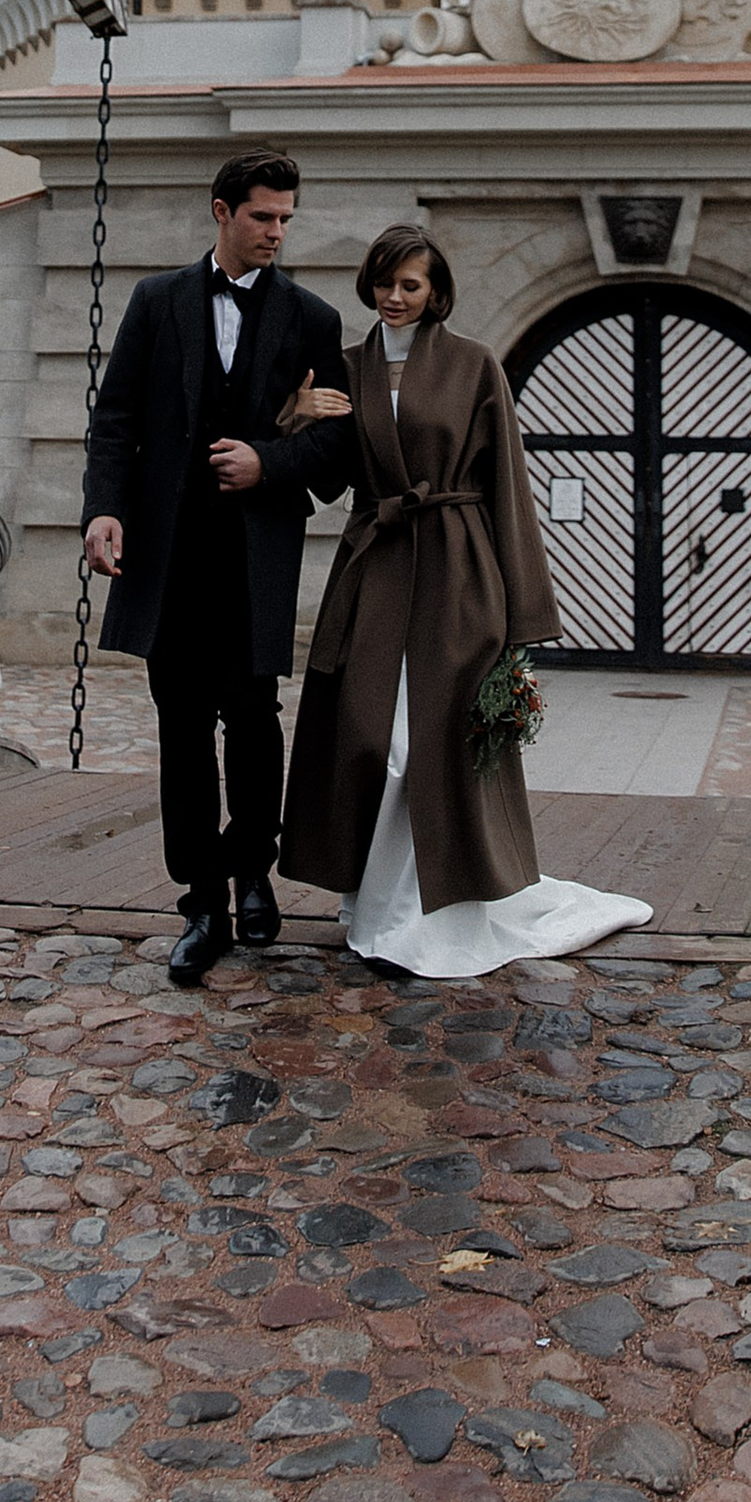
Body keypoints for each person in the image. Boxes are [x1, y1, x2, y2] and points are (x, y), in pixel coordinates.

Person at [280, 222, 653, 979]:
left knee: (434, 748)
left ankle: (430, 916)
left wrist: (522, 614)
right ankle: (375, 906)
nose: (394, 297)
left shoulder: (475, 365)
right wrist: (296, 418)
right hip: (377, 567)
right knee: (370, 741)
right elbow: (323, 480)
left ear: (436, 290)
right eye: (384, 283)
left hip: (457, 569)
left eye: (409, 285)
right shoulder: (344, 370)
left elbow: (508, 487)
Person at [81, 149, 350, 986]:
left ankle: (253, 872)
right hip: (169, 552)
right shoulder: (155, 302)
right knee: (183, 726)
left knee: (256, 719)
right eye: (263, 217)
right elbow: (115, 418)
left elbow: (339, 444)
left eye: (286, 219)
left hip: (252, 557)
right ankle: (201, 901)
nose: (276, 232)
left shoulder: (312, 319)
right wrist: (103, 508)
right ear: (222, 212)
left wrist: (269, 461)